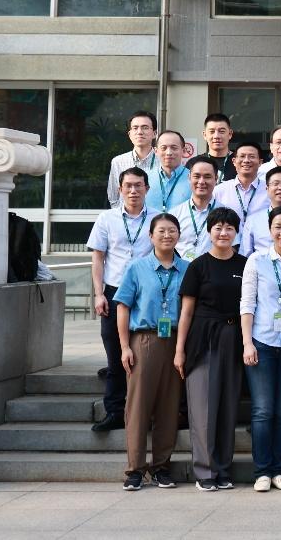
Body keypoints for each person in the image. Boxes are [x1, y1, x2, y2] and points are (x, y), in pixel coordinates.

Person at [175, 206, 247, 492]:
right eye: (218, 227)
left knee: (228, 406)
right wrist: (179, 350)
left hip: (234, 338)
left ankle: (223, 469)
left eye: (229, 228)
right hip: (203, 339)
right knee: (203, 407)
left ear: (236, 232)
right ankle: (205, 471)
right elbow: (186, 312)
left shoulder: (245, 265)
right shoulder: (198, 266)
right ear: (209, 231)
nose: (223, 232)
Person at [115, 213, 188, 491]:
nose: (167, 236)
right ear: (151, 236)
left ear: (179, 235)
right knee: (138, 407)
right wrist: (125, 347)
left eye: (172, 231)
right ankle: (135, 469)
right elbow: (123, 307)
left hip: (176, 342)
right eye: (161, 231)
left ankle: (161, 467)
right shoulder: (137, 268)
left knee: (169, 406)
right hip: (144, 340)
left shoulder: (187, 268)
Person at [240, 206, 281, 492]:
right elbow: (247, 303)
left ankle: (280, 470)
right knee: (263, 410)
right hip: (262, 344)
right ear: (269, 230)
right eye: (278, 226)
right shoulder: (256, 261)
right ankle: (262, 471)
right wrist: (247, 342)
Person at [89, 167, 155, 433]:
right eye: (128, 186)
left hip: (147, 293)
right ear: (120, 189)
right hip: (115, 291)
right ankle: (115, 410)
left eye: (138, 185)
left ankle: (144, 412)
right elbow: (98, 257)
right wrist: (99, 294)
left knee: (146, 354)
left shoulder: (157, 219)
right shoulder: (107, 218)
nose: (133, 190)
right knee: (115, 353)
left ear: (147, 189)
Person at [108, 110, 160, 208]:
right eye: (135, 128)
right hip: (126, 216)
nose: (139, 132)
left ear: (154, 133)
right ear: (129, 134)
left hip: (155, 216)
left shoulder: (163, 161)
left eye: (145, 128)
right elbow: (113, 197)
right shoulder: (118, 162)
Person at [213, 142, 268, 226]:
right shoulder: (219, 191)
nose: (246, 160)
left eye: (252, 156)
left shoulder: (269, 190)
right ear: (234, 161)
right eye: (242, 156)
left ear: (260, 162)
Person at [175, 155, 218, 261]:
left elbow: (232, 247)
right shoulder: (175, 214)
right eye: (197, 176)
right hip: (182, 269)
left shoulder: (226, 214)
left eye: (207, 177)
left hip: (213, 269)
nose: (201, 182)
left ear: (216, 179)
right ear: (189, 177)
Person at [146, 130, 191, 213]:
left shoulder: (193, 179)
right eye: (164, 148)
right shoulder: (145, 178)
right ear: (156, 151)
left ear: (183, 151)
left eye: (174, 148)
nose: (169, 152)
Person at [202, 113, 236, 183]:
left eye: (222, 131)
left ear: (230, 134)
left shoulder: (240, 163)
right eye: (212, 131)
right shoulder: (194, 163)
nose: (216, 136)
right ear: (205, 135)